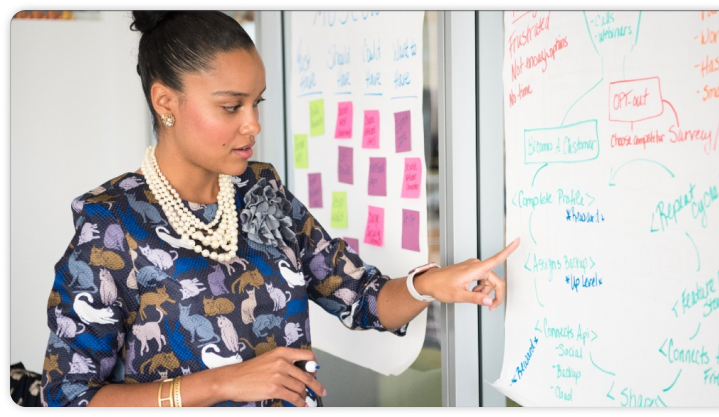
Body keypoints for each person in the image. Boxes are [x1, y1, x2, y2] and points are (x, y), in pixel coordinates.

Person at [40, 11, 520, 408]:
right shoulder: (110, 224)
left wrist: (432, 284)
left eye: (257, 103)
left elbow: (361, 298)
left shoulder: (261, 192)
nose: (253, 124)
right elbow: (68, 396)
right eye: (231, 107)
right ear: (166, 101)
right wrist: (223, 383)